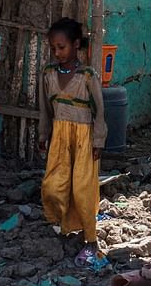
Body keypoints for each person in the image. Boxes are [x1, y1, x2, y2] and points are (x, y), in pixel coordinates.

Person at [37, 17, 108, 269]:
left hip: (84, 138)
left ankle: (90, 238)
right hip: (60, 137)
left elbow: (100, 111)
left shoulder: (87, 76)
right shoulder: (48, 74)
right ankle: (64, 224)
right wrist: (44, 135)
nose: (57, 53)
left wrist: (98, 139)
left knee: (82, 189)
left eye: (62, 47)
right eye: (53, 48)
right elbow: (45, 109)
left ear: (76, 45)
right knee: (53, 186)